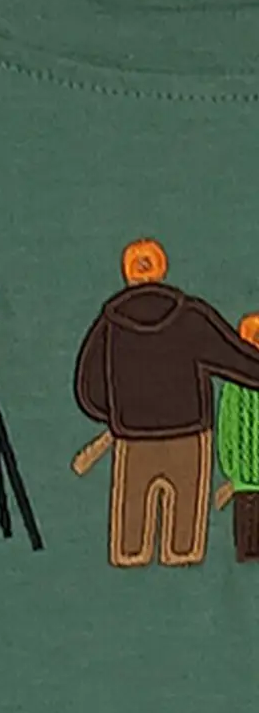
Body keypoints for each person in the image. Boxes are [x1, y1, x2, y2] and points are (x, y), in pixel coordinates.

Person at [71, 240, 259, 566]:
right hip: (188, 432)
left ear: (128, 273)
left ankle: (130, 554)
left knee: (132, 516)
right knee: (185, 521)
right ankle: (181, 553)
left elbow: (89, 387)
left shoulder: (111, 324)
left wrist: (115, 415)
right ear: (161, 268)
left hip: (133, 437)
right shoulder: (190, 316)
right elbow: (233, 357)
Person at [218, 313, 259, 562]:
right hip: (244, 481)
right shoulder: (235, 384)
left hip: (243, 479)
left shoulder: (234, 384)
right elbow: (228, 427)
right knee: (248, 543)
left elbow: (227, 428)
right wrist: (232, 472)